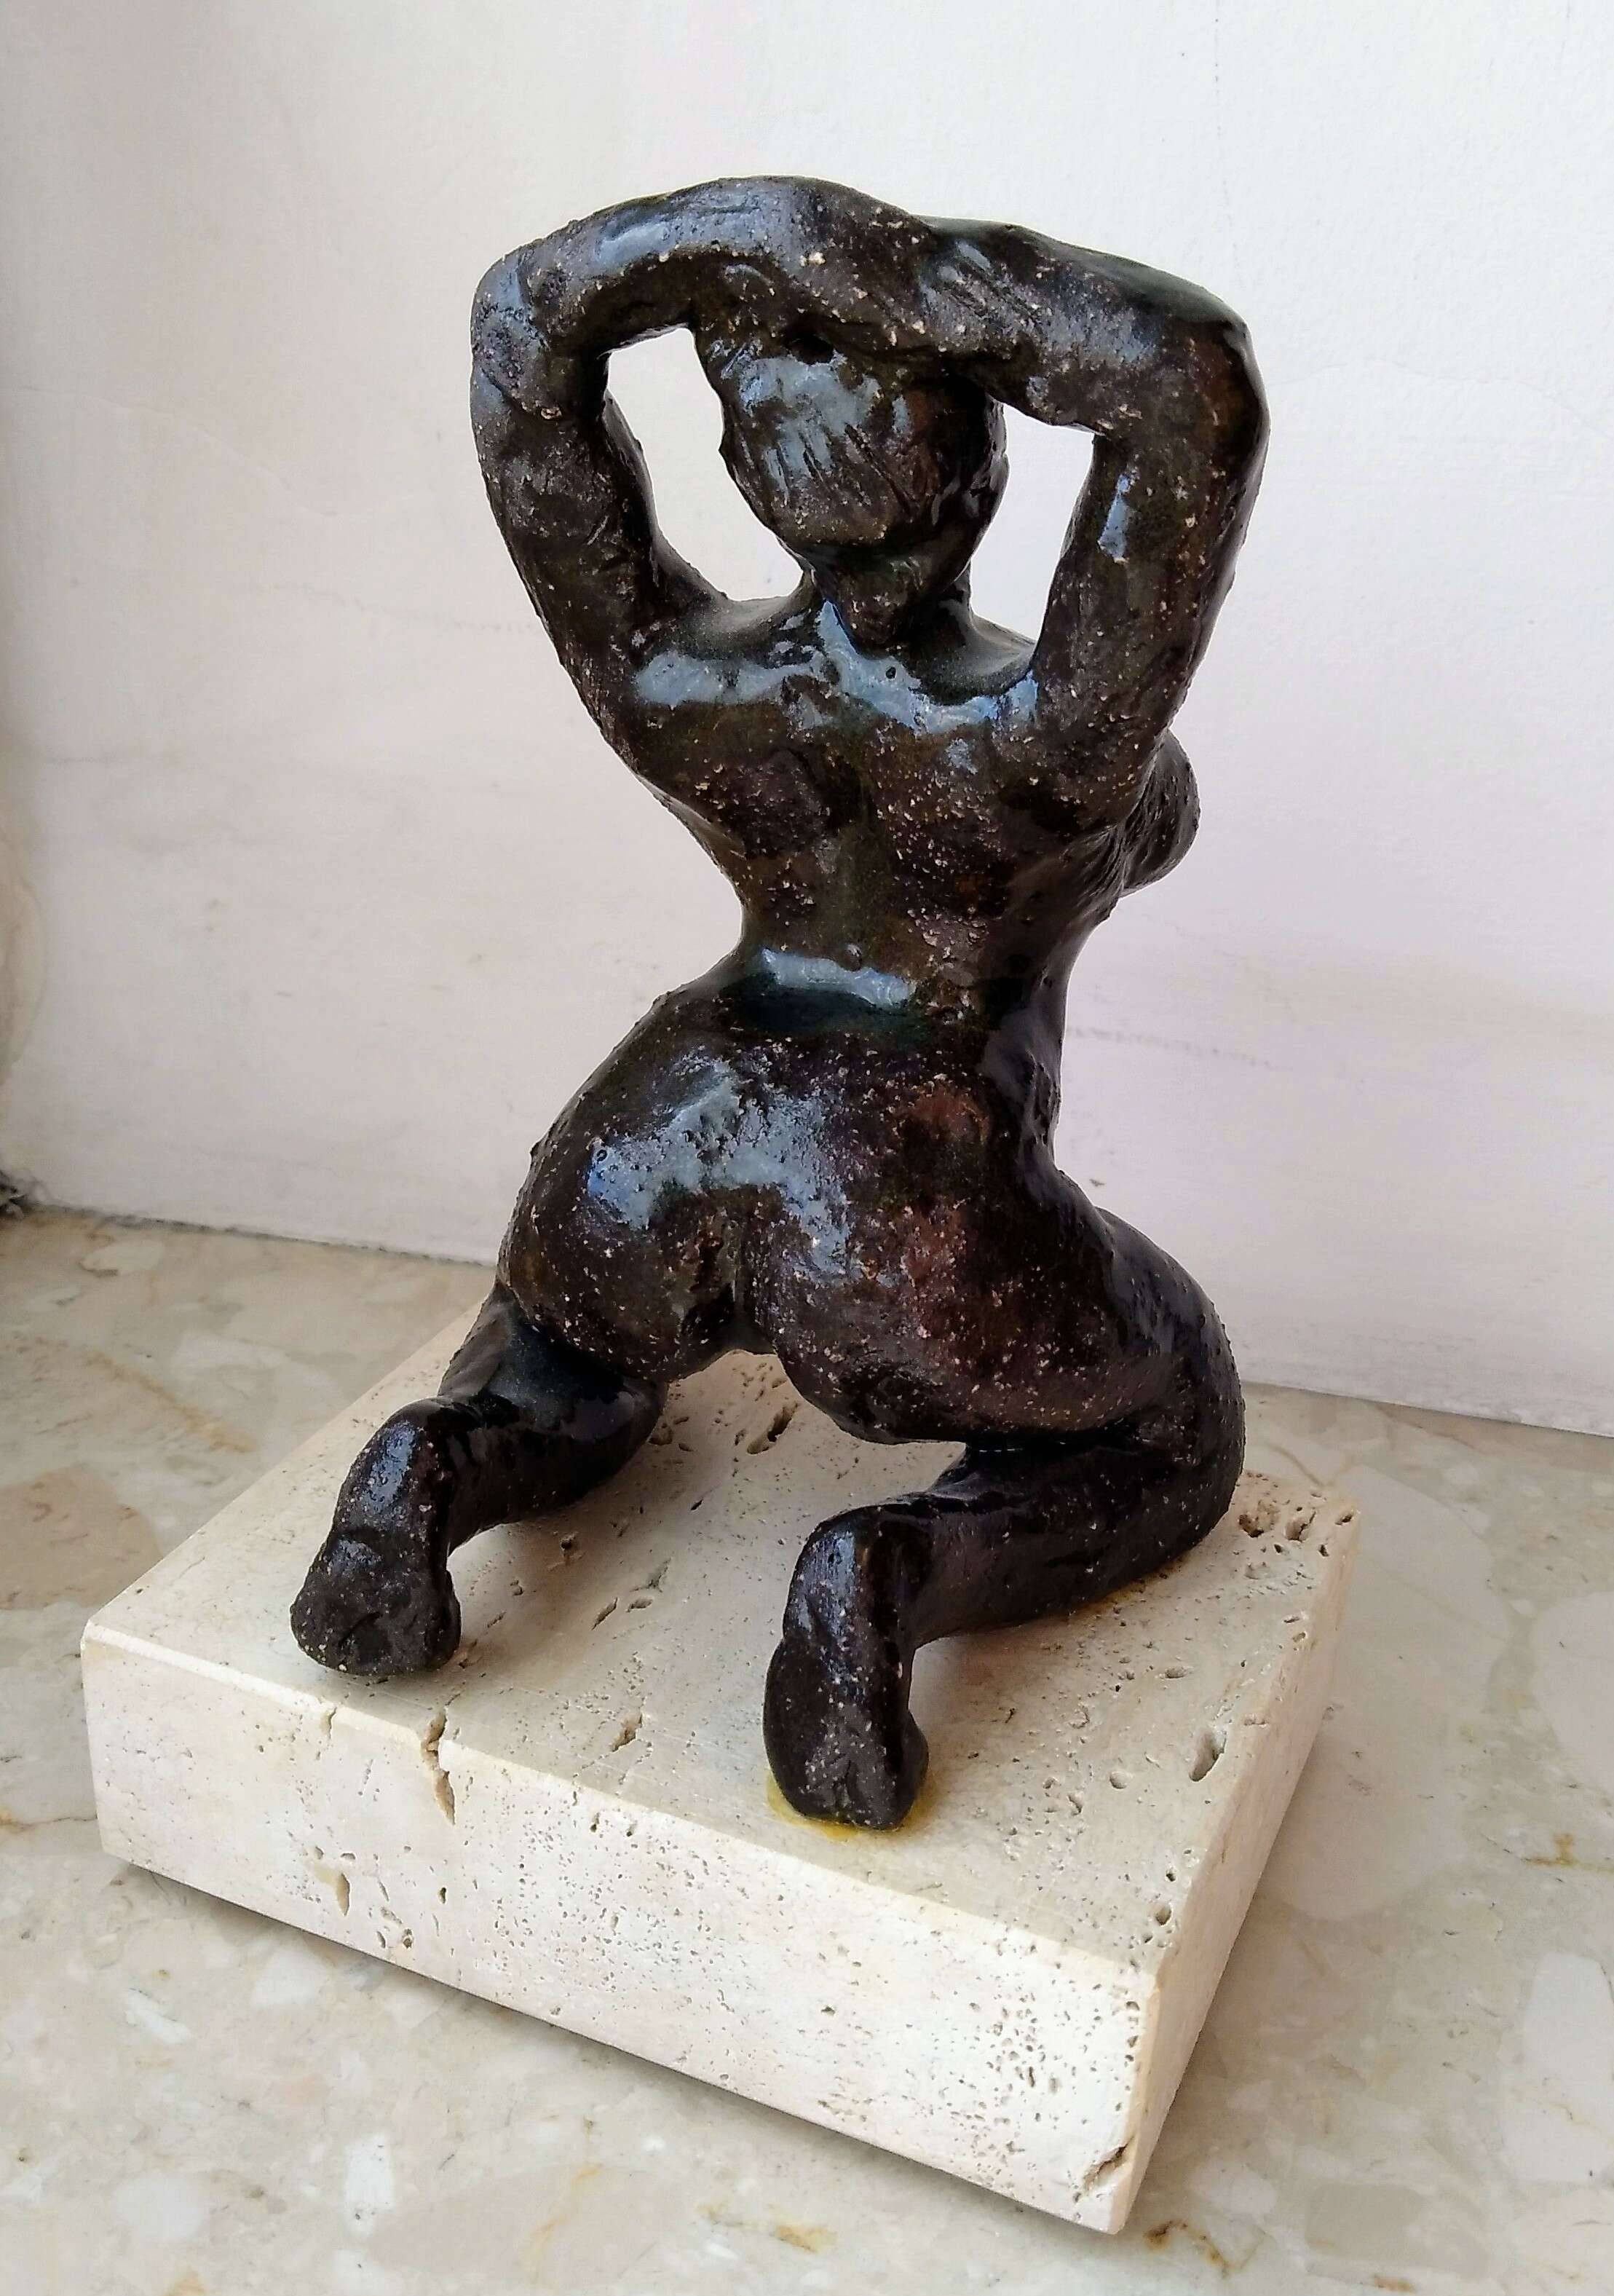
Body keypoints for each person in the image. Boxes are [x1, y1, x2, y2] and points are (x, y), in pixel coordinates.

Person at [292, 178, 1268, 1828]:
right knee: (1175, 1414)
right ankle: (883, 1572)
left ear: (752, 470)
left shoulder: (685, 685)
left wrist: (752, 240)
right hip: (893, 1195)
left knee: (553, 1355)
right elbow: (1190, 385)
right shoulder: (1044, 744)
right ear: (978, 468)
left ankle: (429, 1473)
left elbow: (524, 334)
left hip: (656, 1128)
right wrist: (904, 281)